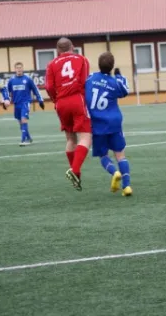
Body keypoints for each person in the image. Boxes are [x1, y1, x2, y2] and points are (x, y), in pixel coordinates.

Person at [45, 37, 91, 191]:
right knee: (85, 137)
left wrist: (55, 100)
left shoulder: (51, 64)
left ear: (58, 50)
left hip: (61, 102)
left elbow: (49, 86)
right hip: (77, 99)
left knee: (70, 138)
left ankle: (76, 176)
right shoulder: (82, 59)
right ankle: (75, 170)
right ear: (72, 47)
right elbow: (85, 82)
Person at [85, 52, 132, 197]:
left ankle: (114, 172)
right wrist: (118, 75)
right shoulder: (114, 83)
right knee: (120, 155)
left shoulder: (90, 78)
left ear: (99, 65)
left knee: (103, 155)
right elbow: (125, 90)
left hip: (97, 124)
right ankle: (127, 186)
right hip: (114, 123)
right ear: (112, 66)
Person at [7, 62, 45, 146]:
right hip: (16, 104)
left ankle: (24, 140)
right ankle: (29, 138)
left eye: (20, 68)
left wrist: (40, 100)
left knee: (24, 119)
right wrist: (6, 100)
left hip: (25, 102)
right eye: (17, 68)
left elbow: (35, 90)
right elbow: (8, 92)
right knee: (20, 123)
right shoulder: (12, 80)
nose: (19, 69)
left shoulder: (27, 79)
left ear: (22, 69)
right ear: (15, 69)